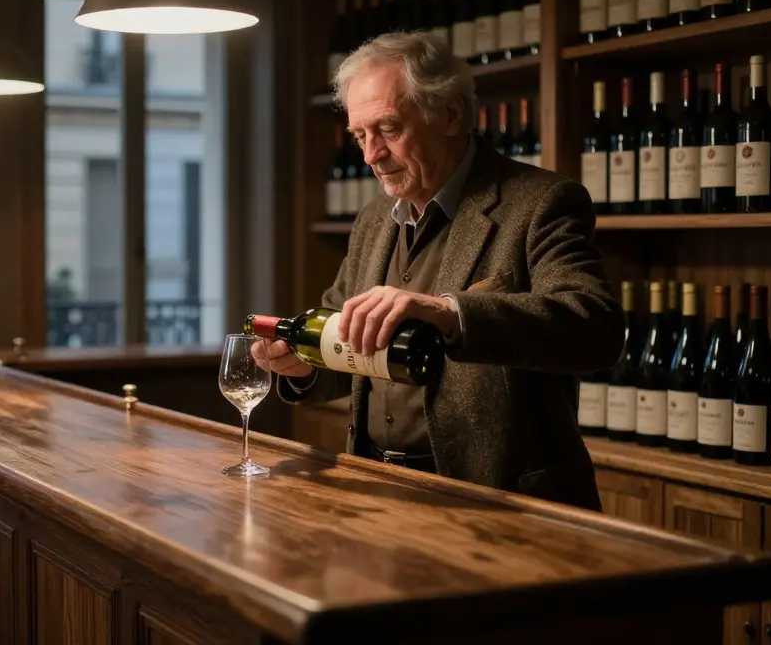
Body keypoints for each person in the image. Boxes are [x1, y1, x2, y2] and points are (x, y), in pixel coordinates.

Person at [256, 31, 623, 510]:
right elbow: (345, 340)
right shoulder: (371, 219)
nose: (370, 156)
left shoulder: (541, 203)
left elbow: (595, 328)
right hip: (378, 491)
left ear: (449, 115)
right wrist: (302, 365)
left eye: (388, 130)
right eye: (360, 136)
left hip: (500, 503)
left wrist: (450, 312)